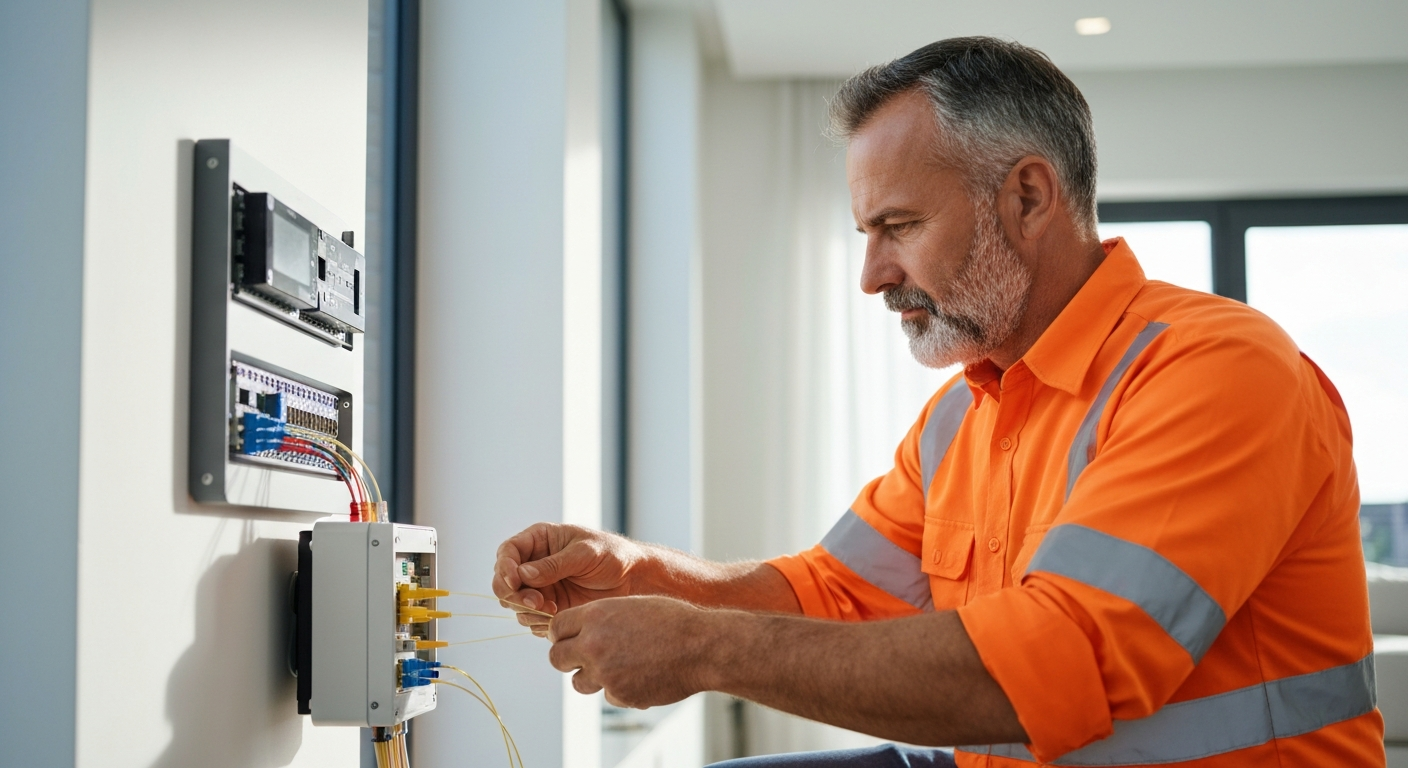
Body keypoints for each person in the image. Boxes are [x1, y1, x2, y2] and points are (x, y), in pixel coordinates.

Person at [492, 36, 1383, 767]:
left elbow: (1045, 670)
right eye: (867, 233)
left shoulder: (1216, 369)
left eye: (900, 227)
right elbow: (831, 592)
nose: (874, 274)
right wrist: (644, 575)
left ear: (1028, 196)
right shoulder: (965, 413)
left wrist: (700, 648)